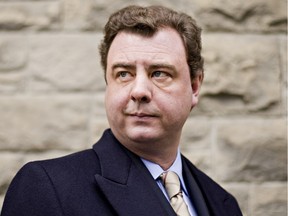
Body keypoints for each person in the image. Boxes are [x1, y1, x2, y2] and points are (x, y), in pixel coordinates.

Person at [1, 5, 243, 216]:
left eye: (159, 73)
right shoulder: (46, 187)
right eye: (123, 74)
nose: (139, 91)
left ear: (194, 86)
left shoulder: (223, 204)